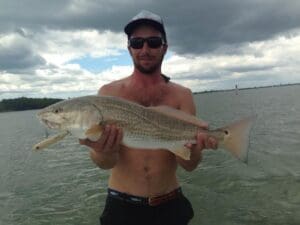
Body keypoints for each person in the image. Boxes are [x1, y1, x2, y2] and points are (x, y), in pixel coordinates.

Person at [80, 10, 217, 225]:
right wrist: (103, 150)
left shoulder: (182, 95)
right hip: (121, 207)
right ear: (129, 48)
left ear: (165, 47)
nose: (145, 49)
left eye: (153, 42)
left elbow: (188, 164)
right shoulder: (108, 94)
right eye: (137, 43)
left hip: (170, 205)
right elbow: (104, 163)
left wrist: (197, 148)